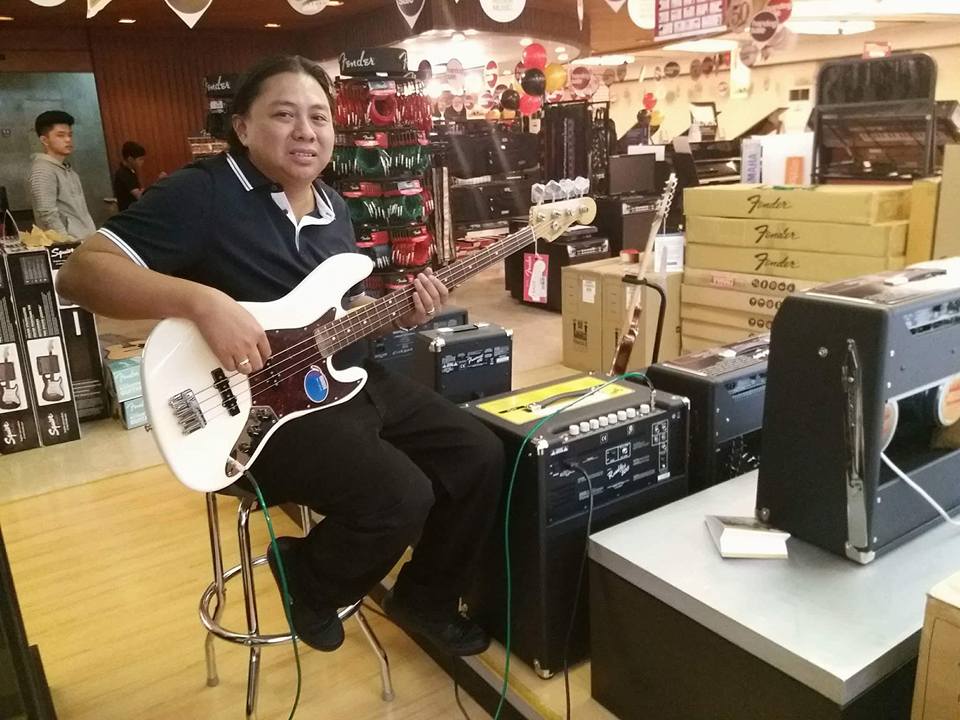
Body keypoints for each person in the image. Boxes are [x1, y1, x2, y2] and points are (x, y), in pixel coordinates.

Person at [56, 55, 503, 657]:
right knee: (400, 495)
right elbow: (82, 275)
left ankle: (426, 599)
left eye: (319, 117)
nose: (306, 132)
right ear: (242, 127)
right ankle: (307, 577)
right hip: (249, 412)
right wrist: (202, 303)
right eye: (284, 115)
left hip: (335, 380)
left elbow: (333, 312)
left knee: (477, 452)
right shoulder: (202, 193)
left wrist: (398, 312)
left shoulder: (334, 206)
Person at [29, 110, 97, 240]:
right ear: (44, 140)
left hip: (84, 240)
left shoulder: (68, 170)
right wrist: (66, 242)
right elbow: (47, 214)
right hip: (68, 245)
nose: (68, 139)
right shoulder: (43, 170)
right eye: (60, 135)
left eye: (70, 135)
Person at [113, 141, 146, 212]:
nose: (142, 162)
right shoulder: (124, 174)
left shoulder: (131, 171)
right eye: (140, 159)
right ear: (130, 159)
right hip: (129, 213)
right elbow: (139, 196)